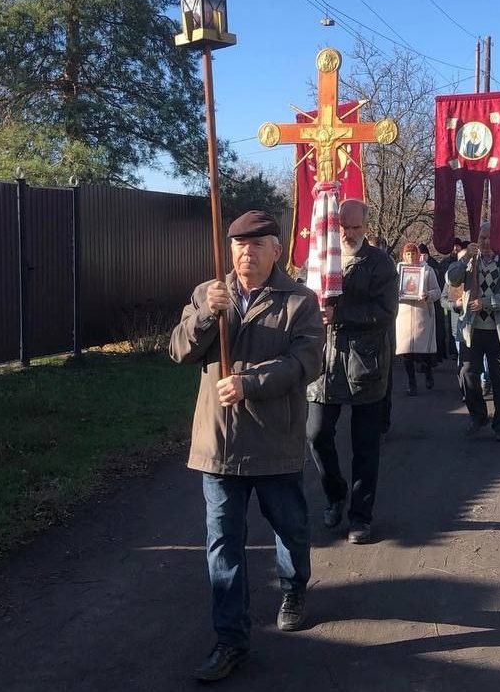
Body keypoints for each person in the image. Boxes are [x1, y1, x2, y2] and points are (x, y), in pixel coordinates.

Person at [170, 210, 324, 682]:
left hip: (275, 438)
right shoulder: (208, 294)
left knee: (290, 527)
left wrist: (250, 382)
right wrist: (204, 316)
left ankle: (294, 586)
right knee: (223, 545)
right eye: (239, 245)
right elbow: (179, 349)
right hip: (218, 443)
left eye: (257, 245)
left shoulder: (299, 301)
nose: (246, 253)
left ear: (276, 250)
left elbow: (307, 362)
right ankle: (230, 641)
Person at [307, 199, 398, 544]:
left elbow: (385, 311)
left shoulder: (380, 263)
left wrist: (341, 314)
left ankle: (361, 517)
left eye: (355, 227)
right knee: (316, 434)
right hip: (323, 364)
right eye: (343, 226)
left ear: (366, 227)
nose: (348, 233)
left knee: (365, 446)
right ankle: (335, 495)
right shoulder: (317, 261)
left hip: (366, 364)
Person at [446, 222, 500, 441]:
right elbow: (452, 280)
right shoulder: (470, 261)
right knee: (467, 373)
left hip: (499, 331)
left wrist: (487, 302)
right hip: (472, 329)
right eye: (482, 238)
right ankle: (478, 416)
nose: (486, 242)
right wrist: (464, 259)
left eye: (490, 238)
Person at [396, 242, 442, 395]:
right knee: (405, 351)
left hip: (422, 315)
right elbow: (392, 289)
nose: (411, 257)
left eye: (413, 254)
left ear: (418, 254)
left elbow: (437, 291)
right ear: (404, 255)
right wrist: (397, 294)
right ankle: (411, 383)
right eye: (408, 254)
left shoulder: (427, 270)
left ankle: (428, 372)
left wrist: (427, 295)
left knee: (424, 351)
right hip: (404, 314)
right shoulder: (399, 271)